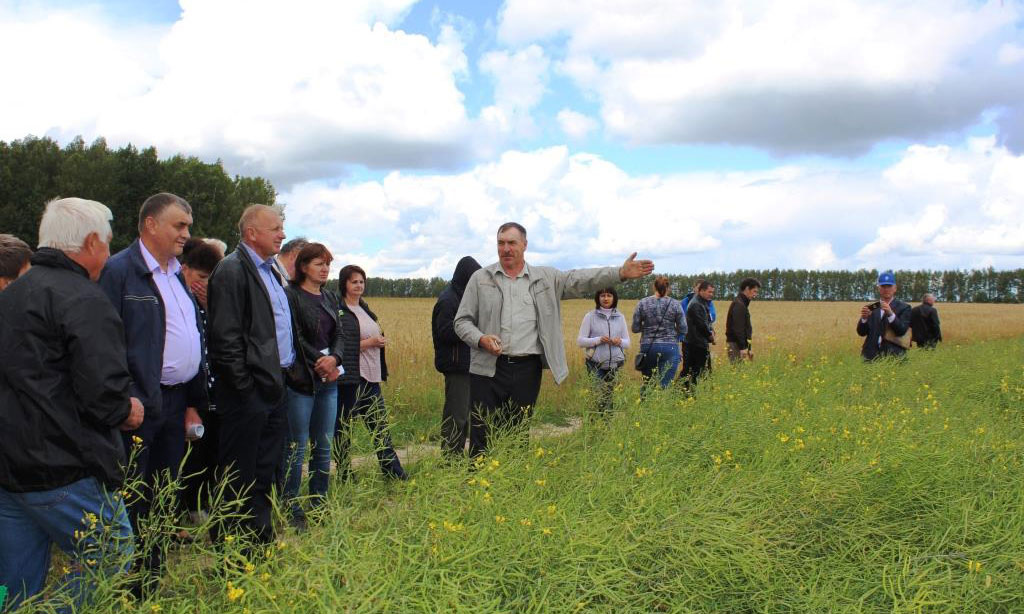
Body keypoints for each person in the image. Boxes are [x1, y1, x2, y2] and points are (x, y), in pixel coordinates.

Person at [0, 198, 143, 612]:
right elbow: (103, 391)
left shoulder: (12, 294)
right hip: (64, 465)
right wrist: (126, 410)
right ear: (92, 241)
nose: (109, 254)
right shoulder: (83, 299)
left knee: (15, 581)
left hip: (10, 466)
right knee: (112, 553)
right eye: (108, 243)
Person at [454, 222, 654, 458]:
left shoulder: (546, 278)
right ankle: (478, 478)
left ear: (524, 245)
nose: (506, 248)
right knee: (481, 433)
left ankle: (514, 478)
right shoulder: (480, 279)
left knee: (518, 434)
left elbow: (581, 279)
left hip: (526, 369)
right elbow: (461, 322)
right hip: (487, 369)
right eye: (501, 243)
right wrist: (481, 339)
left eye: (512, 243)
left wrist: (619, 273)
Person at [97, 192, 207, 592]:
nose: (186, 234)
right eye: (179, 225)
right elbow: (104, 344)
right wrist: (125, 397)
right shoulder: (119, 272)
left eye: (188, 226)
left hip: (176, 401)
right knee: (133, 492)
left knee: (165, 488)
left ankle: (152, 573)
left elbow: (192, 337)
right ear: (150, 224)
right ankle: (129, 580)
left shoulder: (176, 273)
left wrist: (193, 402)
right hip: (139, 403)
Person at [207, 204, 302, 545]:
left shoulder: (270, 271)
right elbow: (225, 339)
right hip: (249, 394)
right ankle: (231, 550)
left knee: (264, 471)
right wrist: (246, 390)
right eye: (275, 228)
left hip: (273, 386)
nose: (282, 234)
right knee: (239, 474)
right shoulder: (232, 270)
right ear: (251, 233)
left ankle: (258, 543)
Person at [281, 243, 344, 527]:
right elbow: (294, 335)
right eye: (319, 263)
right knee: (297, 447)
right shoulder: (290, 295)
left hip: (328, 380)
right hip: (301, 381)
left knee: (324, 445)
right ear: (304, 266)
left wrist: (335, 359)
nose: (325, 269)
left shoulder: (329, 296)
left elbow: (340, 334)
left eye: (327, 264)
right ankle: (291, 506)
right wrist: (321, 360)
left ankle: (319, 502)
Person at [334, 264, 408, 480]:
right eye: (354, 282)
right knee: (345, 428)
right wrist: (371, 342)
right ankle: (345, 474)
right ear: (344, 284)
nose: (359, 285)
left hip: (372, 377)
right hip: (352, 378)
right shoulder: (340, 311)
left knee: (380, 427)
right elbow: (340, 345)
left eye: (361, 282)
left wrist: (378, 341)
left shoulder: (365, 309)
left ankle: (393, 472)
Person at [177, 240, 224, 526]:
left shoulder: (210, 305)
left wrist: (211, 305)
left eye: (210, 279)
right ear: (185, 270)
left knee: (207, 453)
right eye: (201, 277)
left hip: (213, 390)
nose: (204, 284)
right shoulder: (179, 301)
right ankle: (182, 511)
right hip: (187, 393)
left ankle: (199, 504)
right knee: (187, 457)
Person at [432, 256, 482, 460]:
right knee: (456, 415)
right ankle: (450, 460)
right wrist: (472, 331)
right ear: (465, 277)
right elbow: (444, 331)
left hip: (466, 364)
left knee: (464, 415)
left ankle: (457, 457)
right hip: (455, 365)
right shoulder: (448, 299)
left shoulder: (462, 296)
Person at [578, 287, 631, 413]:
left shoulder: (620, 317)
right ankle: (594, 422)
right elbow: (580, 341)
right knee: (596, 397)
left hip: (615, 365)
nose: (606, 298)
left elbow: (628, 343)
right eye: (602, 295)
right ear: (598, 298)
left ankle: (607, 423)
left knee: (610, 397)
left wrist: (619, 342)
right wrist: (599, 339)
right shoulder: (590, 316)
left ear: (614, 298)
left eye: (609, 295)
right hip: (595, 365)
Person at [631, 276, 685, 390]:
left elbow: (635, 328)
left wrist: (647, 327)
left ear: (654, 287)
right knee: (665, 385)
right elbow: (684, 328)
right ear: (668, 288)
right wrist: (672, 329)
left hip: (648, 347)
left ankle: (645, 400)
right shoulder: (675, 304)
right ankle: (662, 401)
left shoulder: (642, 303)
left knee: (648, 384)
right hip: (670, 347)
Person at [857, 270, 912, 361]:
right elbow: (861, 332)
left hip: (893, 358)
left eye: (889, 286)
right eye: (883, 286)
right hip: (870, 357)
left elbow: (901, 331)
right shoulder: (872, 307)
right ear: (878, 288)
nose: (886, 289)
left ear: (895, 288)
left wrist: (891, 314)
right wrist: (864, 319)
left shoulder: (904, 307)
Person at [683, 280, 716, 390]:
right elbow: (701, 325)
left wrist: (711, 330)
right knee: (693, 372)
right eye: (709, 292)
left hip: (699, 343)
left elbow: (707, 321)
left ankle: (694, 393)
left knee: (700, 372)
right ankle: (683, 393)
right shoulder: (696, 304)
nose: (711, 294)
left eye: (712, 292)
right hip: (694, 344)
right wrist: (710, 336)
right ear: (701, 291)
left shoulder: (703, 302)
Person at [725, 277, 760, 363]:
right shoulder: (739, 305)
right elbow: (738, 328)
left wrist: (749, 348)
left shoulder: (742, 303)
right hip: (736, 345)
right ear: (747, 289)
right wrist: (742, 348)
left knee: (740, 369)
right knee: (737, 369)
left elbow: (746, 329)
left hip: (739, 345)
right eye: (754, 291)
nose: (755, 295)